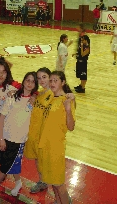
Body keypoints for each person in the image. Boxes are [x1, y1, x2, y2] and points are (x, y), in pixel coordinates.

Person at [0, 71, 38, 196]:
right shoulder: (12, 97)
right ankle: (18, 183)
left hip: (19, 141)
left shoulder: (35, 102)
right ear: (23, 81)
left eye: (33, 81)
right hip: (5, 137)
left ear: (35, 85)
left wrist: (35, 96)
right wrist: (1, 138)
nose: (29, 83)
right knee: (8, 163)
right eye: (27, 80)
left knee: (5, 166)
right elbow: (1, 117)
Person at [37, 71, 75, 204]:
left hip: (55, 147)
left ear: (63, 82)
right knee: (52, 180)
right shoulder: (51, 97)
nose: (52, 83)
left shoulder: (67, 100)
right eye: (51, 80)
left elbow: (71, 127)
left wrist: (69, 110)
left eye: (55, 81)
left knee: (59, 183)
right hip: (46, 145)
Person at [24, 67, 53, 193]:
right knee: (38, 161)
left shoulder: (54, 94)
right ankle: (42, 182)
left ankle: (62, 194)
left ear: (50, 77)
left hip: (45, 137)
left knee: (49, 166)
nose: (41, 80)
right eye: (39, 78)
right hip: (35, 134)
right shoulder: (39, 93)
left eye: (44, 77)